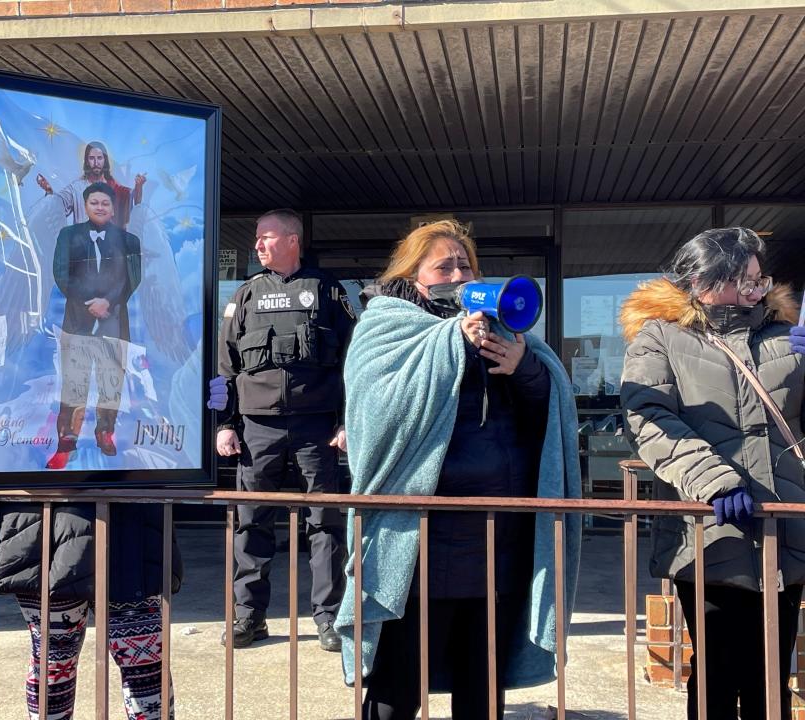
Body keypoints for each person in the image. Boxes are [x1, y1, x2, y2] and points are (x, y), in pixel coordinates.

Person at [331, 220, 582, 719]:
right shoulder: (386, 325)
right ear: (414, 273)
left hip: (498, 541)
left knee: (483, 687)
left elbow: (550, 422)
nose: (459, 272)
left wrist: (525, 366)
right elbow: (376, 416)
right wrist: (451, 343)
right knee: (397, 687)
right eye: (444, 265)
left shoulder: (506, 329)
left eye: (465, 263)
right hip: (419, 546)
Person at [0, 329, 227, 720]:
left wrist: (204, 410)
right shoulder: (22, 355)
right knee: (53, 664)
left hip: (128, 532)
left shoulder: (139, 353)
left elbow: (170, 434)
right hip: (44, 534)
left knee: (144, 667)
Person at [620, 227, 805, 720]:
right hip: (709, 530)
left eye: (759, 279)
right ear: (703, 280)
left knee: (772, 679)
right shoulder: (661, 336)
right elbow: (649, 417)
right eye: (743, 280)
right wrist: (714, 480)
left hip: (783, 530)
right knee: (717, 675)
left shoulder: (784, 335)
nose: (756, 290)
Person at [216, 208, 356, 651]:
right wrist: (223, 425)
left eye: (266, 237)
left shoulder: (329, 292)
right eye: (257, 238)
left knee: (325, 525)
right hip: (257, 429)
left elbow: (355, 364)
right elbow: (224, 369)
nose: (257, 244)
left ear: (292, 240)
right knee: (252, 523)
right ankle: (248, 617)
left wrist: (348, 422)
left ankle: (329, 619)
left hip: (317, 429)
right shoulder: (245, 296)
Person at [47, 181, 141, 470]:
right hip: (77, 322)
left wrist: (107, 303)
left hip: (114, 321)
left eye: (105, 203)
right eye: (94, 202)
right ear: (86, 206)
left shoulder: (129, 241)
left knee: (110, 383)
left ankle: (105, 433)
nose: (100, 207)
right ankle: (66, 443)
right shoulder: (68, 235)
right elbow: (60, 273)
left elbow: (132, 279)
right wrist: (89, 300)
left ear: (113, 208)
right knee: (74, 384)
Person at [36, 140, 145, 227]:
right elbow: (59, 203)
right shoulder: (76, 188)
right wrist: (49, 191)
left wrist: (139, 187)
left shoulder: (115, 188)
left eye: (99, 158)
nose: (96, 163)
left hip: (110, 250)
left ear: (105, 160)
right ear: (87, 161)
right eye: (92, 158)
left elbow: (134, 202)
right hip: (83, 249)